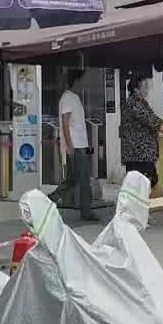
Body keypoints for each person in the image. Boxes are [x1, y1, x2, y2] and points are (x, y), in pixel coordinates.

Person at [119, 73, 163, 190]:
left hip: (143, 153)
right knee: (144, 183)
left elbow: (155, 118)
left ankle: (140, 200)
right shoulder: (134, 104)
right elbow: (153, 122)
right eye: (145, 87)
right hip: (137, 154)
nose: (147, 89)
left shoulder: (142, 102)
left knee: (147, 182)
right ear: (136, 89)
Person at [59, 68, 98, 221]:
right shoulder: (68, 98)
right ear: (76, 80)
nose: (85, 83)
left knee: (73, 179)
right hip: (76, 146)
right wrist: (69, 146)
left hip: (82, 145)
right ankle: (87, 211)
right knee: (83, 178)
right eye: (83, 79)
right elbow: (65, 123)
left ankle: (49, 200)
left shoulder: (75, 97)